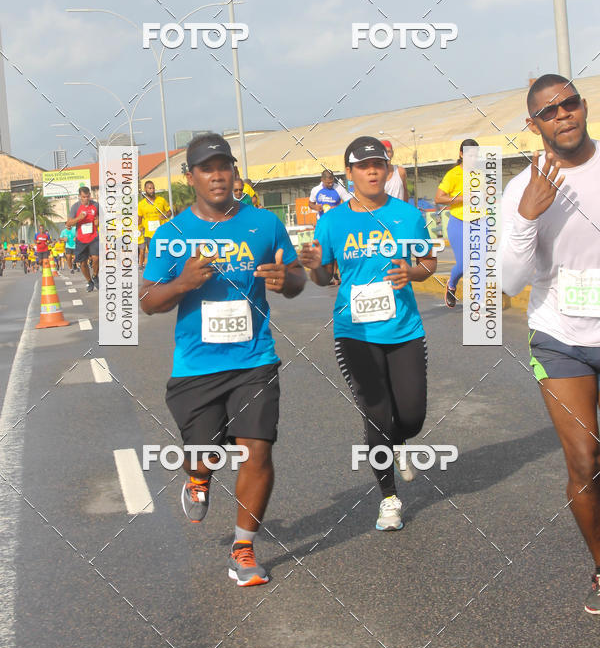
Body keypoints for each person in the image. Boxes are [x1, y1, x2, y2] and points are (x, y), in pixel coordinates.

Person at [142, 133, 306, 586]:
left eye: (224, 166)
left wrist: (284, 279)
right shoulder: (171, 234)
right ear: (190, 177)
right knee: (207, 453)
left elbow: (295, 279)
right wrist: (183, 283)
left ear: (234, 172)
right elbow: (147, 301)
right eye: (206, 168)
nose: (217, 175)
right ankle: (197, 474)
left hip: (255, 359)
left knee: (257, 449)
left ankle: (243, 548)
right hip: (196, 366)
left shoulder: (264, 224)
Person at [300, 136, 436, 531]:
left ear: (388, 170)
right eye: (363, 166)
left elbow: (427, 261)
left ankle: (400, 442)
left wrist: (411, 272)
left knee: (410, 416)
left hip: (404, 328)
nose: (372, 171)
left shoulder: (406, 216)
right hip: (354, 331)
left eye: (378, 164)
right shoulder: (332, 221)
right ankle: (389, 499)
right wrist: (313, 265)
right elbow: (324, 275)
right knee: (376, 413)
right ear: (350, 174)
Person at [501, 73, 600, 615]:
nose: (563, 115)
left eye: (570, 104)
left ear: (582, 108)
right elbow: (510, 283)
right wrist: (526, 217)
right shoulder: (520, 190)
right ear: (534, 124)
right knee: (585, 460)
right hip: (561, 338)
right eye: (549, 111)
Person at [435, 138, 479, 308]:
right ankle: (452, 285)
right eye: (469, 155)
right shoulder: (453, 174)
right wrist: (463, 198)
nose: (473, 158)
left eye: (475, 155)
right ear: (461, 154)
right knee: (464, 263)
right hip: (458, 222)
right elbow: (439, 198)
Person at [66, 186, 100, 292]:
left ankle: (95, 276)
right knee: (83, 263)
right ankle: (89, 281)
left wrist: (98, 221)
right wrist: (78, 218)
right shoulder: (75, 207)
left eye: (88, 196)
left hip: (93, 236)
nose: (86, 198)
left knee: (96, 258)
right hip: (81, 239)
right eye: (84, 197)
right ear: (80, 197)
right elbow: (68, 224)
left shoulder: (95, 205)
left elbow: (100, 217)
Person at [138, 180, 172, 268]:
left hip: (161, 231)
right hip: (149, 233)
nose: (152, 190)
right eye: (150, 188)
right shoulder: (141, 204)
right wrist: (138, 229)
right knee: (153, 252)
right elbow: (139, 219)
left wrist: (165, 216)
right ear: (145, 189)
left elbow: (169, 212)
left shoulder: (161, 200)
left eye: (153, 188)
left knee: (163, 251)